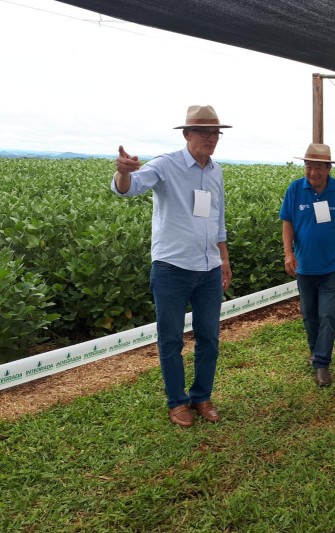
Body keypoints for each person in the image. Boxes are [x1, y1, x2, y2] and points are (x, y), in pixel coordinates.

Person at [111, 105, 232, 428]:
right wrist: (123, 171)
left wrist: (224, 258)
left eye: (215, 133)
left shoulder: (216, 171)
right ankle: (177, 402)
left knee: (209, 336)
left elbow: (217, 219)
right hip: (172, 268)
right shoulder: (167, 165)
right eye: (204, 132)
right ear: (186, 134)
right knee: (171, 339)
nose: (211, 138)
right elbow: (129, 188)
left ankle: (202, 396)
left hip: (208, 268)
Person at [280, 143, 335, 388]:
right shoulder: (295, 189)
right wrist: (288, 253)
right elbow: (287, 222)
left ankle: (322, 362)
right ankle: (315, 351)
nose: (312, 172)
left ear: (328, 169)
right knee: (309, 314)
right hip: (305, 266)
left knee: (327, 314)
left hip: (333, 266)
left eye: (318, 167)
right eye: (308, 166)